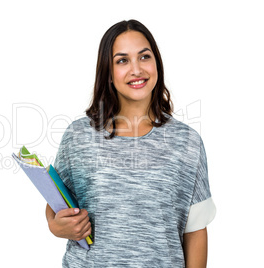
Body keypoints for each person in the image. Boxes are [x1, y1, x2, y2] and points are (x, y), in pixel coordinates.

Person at [45, 19, 216, 267]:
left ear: (156, 63)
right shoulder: (78, 136)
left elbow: (196, 231)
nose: (136, 69)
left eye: (144, 57)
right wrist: (55, 226)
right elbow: (56, 203)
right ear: (109, 73)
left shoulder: (186, 142)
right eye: (122, 60)